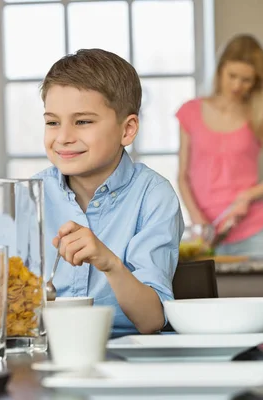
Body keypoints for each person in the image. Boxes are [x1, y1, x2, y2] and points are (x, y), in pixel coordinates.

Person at [33, 49, 184, 336]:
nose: (63, 136)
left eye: (83, 122)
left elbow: (151, 320)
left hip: (130, 358)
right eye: (52, 122)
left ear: (127, 130)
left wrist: (109, 262)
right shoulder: (31, 196)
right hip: (46, 352)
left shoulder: (153, 196)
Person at [176, 34, 263, 258]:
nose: (237, 85)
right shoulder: (190, 112)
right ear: (220, 70)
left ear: (256, 82)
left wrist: (247, 196)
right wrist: (199, 222)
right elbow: (182, 177)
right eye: (232, 76)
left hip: (253, 234)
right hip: (206, 234)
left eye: (246, 80)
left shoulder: (259, 117)